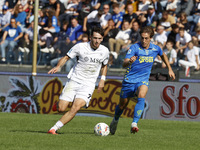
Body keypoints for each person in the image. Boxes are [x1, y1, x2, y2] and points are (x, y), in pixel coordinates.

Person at [109, 26, 175, 135]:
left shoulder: (155, 48)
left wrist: (170, 69)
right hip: (129, 80)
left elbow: (163, 55)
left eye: (146, 38)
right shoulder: (134, 48)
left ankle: (134, 124)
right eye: (142, 38)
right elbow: (124, 63)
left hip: (143, 79)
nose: (144, 40)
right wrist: (129, 61)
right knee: (122, 106)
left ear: (151, 38)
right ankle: (115, 120)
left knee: (141, 95)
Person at [47, 27, 110, 135]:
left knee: (75, 107)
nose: (96, 41)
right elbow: (66, 57)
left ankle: (53, 129)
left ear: (102, 39)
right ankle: (57, 105)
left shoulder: (104, 51)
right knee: (61, 108)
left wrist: (102, 80)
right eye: (94, 38)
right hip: (74, 80)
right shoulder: (80, 47)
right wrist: (58, 67)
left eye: (99, 38)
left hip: (88, 84)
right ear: (90, 37)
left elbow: (104, 66)